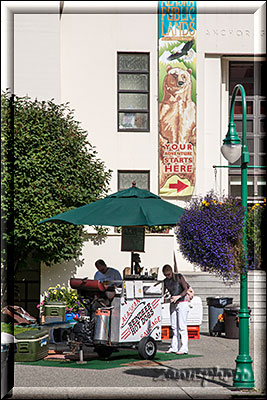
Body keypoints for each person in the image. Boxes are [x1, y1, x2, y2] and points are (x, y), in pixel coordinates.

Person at [162, 264, 190, 355]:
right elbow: (164, 292)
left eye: (169, 274)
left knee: (182, 326)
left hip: (182, 302)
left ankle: (184, 347)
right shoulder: (165, 281)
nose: (167, 276)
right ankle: (174, 346)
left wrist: (179, 296)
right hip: (173, 303)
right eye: (166, 275)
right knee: (174, 326)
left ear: (171, 272)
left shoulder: (179, 277)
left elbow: (186, 288)